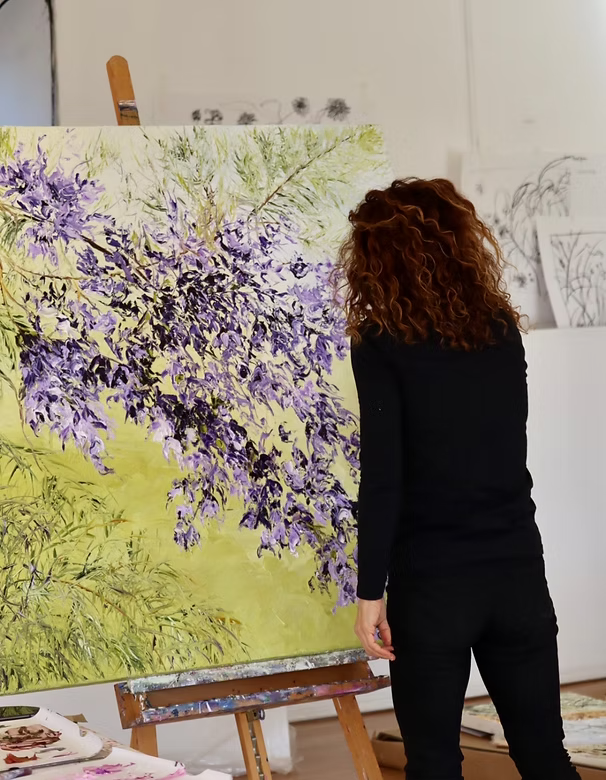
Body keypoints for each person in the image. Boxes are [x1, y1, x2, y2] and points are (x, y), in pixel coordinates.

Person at [338, 178, 580, 780]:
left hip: (433, 587)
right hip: (516, 570)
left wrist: (371, 593)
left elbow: (385, 478)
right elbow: (499, 448)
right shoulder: (498, 328)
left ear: (377, 261)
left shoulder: (380, 342)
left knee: (436, 763)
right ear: (459, 245)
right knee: (545, 756)